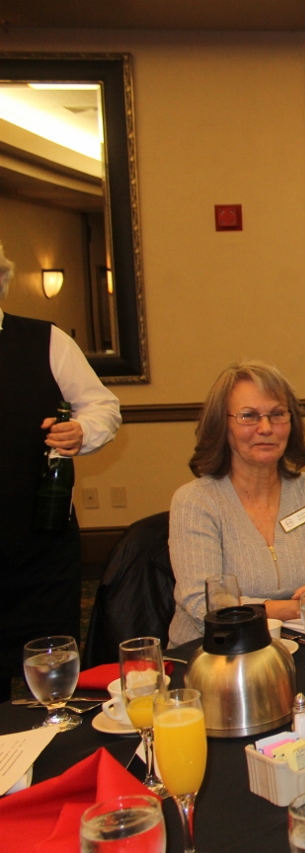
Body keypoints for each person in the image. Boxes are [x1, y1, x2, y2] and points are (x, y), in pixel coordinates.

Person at [168, 361, 305, 645]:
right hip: (215, 656)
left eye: (277, 414)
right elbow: (205, 604)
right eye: (248, 416)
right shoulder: (197, 501)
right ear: (221, 424)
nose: (265, 428)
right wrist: (299, 607)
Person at [0, 243, 121, 701]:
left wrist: (80, 431)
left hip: (39, 551)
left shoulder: (44, 340)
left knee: (50, 684)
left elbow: (103, 407)